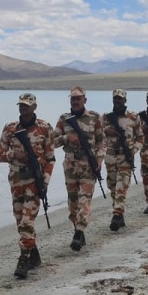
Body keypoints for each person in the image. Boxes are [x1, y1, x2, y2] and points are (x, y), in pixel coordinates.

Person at [0, 92, 57, 279]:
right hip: (16, 182)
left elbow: (50, 158)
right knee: (19, 220)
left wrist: (44, 182)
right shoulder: (10, 128)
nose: (24, 108)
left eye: (27, 105)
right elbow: (0, 155)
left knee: (27, 221)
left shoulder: (45, 128)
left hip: (34, 181)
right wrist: (14, 155)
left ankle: (23, 259)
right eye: (21, 105)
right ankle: (34, 253)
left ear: (34, 108)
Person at [55, 86, 105, 251]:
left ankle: (79, 231)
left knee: (85, 199)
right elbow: (52, 142)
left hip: (88, 166)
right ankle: (79, 230)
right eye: (73, 99)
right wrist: (66, 138)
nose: (75, 102)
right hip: (70, 166)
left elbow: (101, 141)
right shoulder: (64, 119)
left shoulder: (94, 118)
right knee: (73, 202)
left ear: (85, 100)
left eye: (78, 99)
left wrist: (99, 160)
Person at [103, 88, 143, 231]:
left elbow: (140, 138)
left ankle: (116, 215)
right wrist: (106, 132)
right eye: (115, 98)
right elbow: (98, 138)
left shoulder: (133, 117)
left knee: (122, 186)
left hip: (126, 157)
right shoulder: (106, 118)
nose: (117, 101)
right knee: (113, 187)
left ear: (125, 100)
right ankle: (120, 215)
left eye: (120, 98)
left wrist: (134, 150)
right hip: (110, 157)